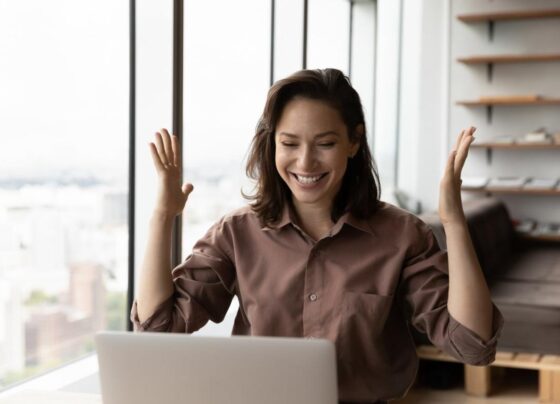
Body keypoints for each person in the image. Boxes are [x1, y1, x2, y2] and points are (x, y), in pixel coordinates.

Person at [131, 68, 503, 404]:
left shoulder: (403, 235)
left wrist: (454, 221)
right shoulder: (236, 233)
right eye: (289, 144)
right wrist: (162, 216)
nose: (305, 162)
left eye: (325, 144)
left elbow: (472, 345)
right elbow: (158, 329)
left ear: (353, 142)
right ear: (271, 143)